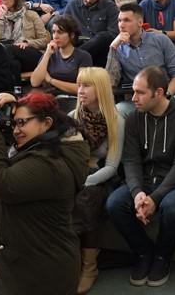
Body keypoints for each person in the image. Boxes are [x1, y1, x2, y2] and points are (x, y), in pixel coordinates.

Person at [0, 91, 88, 295]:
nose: (16, 130)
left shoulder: (49, 164)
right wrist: (13, 106)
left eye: (22, 123)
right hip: (23, 260)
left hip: (40, 273)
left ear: (46, 123)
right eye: (14, 124)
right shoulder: (43, 148)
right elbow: (19, 149)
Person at [105, 66, 175, 287]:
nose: (133, 98)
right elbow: (131, 160)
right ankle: (144, 251)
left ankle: (162, 256)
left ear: (159, 92)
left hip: (173, 183)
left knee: (173, 208)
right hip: (144, 180)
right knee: (114, 204)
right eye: (133, 91)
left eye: (140, 92)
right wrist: (137, 193)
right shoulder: (133, 118)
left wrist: (154, 199)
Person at [71, 67, 126, 294]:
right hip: (75, 172)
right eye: (79, 85)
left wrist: (85, 181)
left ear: (101, 89)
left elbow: (112, 166)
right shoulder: (73, 117)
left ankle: (89, 267)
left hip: (101, 176)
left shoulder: (116, 120)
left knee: (86, 199)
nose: (80, 90)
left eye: (87, 85)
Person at [106, 4, 175, 110]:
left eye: (127, 20)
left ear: (140, 23)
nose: (121, 25)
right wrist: (113, 48)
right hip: (137, 99)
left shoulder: (161, 40)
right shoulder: (117, 48)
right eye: (119, 20)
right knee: (118, 111)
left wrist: (165, 96)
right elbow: (111, 83)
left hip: (167, 94)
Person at [63, 0, 119, 67]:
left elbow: (113, 34)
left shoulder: (110, 7)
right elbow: (64, 30)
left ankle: (74, 57)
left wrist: (94, 41)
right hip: (78, 43)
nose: (89, 0)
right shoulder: (72, 5)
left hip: (100, 51)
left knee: (103, 37)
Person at [31, 15, 93, 95]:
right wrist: (47, 54)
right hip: (49, 97)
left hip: (72, 98)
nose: (55, 36)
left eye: (60, 32)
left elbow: (80, 88)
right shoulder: (50, 54)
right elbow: (34, 82)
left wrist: (51, 80)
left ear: (72, 35)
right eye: (53, 32)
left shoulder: (84, 57)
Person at [0, 0, 48, 73]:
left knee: (8, 49)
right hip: (11, 56)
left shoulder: (31, 15)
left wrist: (28, 43)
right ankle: (14, 82)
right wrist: (0, 17)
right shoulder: (2, 17)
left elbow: (44, 40)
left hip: (32, 53)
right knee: (14, 64)